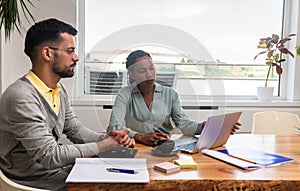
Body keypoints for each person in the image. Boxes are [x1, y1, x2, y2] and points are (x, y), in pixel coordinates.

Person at [0, 18, 135, 191]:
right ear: (47, 53)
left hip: (57, 173)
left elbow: (74, 129)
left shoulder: (58, 90)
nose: (76, 58)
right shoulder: (21, 96)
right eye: (70, 51)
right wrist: (103, 146)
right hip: (34, 183)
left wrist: (107, 139)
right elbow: (50, 155)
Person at [108, 50, 240, 146]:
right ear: (131, 74)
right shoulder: (124, 94)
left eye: (151, 68)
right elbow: (114, 127)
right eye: (142, 71)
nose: (149, 74)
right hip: (136, 147)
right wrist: (139, 137)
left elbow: (185, 125)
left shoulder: (171, 94)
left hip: (166, 149)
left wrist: (207, 126)